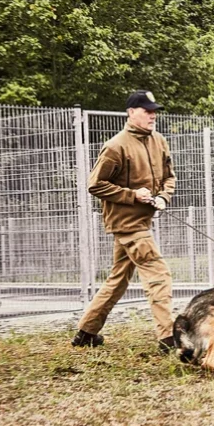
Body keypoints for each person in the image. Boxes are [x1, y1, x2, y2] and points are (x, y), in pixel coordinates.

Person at [71, 90, 176, 353]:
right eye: (147, 111)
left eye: (154, 111)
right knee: (158, 274)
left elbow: (169, 176)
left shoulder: (159, 141)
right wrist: (132, 195)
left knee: (118, 279)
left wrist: (163, 196)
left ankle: (86, 333)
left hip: (143, 221)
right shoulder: (115, 146)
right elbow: (95, 185)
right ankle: (168, 338)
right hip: (127, 224)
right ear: (131, 113)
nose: (152, 115)